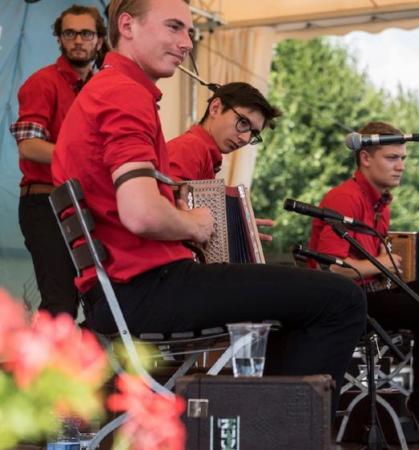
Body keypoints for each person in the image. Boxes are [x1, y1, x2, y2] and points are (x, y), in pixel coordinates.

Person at [51, 0, 366, 402]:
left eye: (189, 32)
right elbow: (141, 213)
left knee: (304, 300)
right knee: (341, 299)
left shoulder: (108, 91)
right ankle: (280, 431)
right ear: (127, 26)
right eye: (174, 28)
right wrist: (198, 224)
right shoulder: (122, 94)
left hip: (123, 291)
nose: (186, 43)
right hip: (147, 289)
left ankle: (266, 424)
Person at [308, 121, 419, 450]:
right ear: (366, 158)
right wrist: (380, 265)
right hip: (347, 303)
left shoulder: (381, 203)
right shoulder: (344, 198)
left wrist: (386, 269)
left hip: (372, 293)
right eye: (392, 157)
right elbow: (327, 270)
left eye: (403, 158)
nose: (401, 165)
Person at [10, 5, 106, 318]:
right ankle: (43, 368)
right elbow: (28, 147)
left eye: (86, 33)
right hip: (45, 202)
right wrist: (84, 159)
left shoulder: (100, 89)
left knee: (100, 302)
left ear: (99, 41)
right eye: (69, 33)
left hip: (85, 205)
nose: (78, 40)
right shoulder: (43, 82)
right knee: (60, 301)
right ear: (60, 40)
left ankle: (83, 365)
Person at [167, 82, 276, 181]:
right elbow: (166, 201)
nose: (245, 138)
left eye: (254, 133)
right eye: (243, 122)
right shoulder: (191, 147)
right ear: (216, 108)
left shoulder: (204, 155)